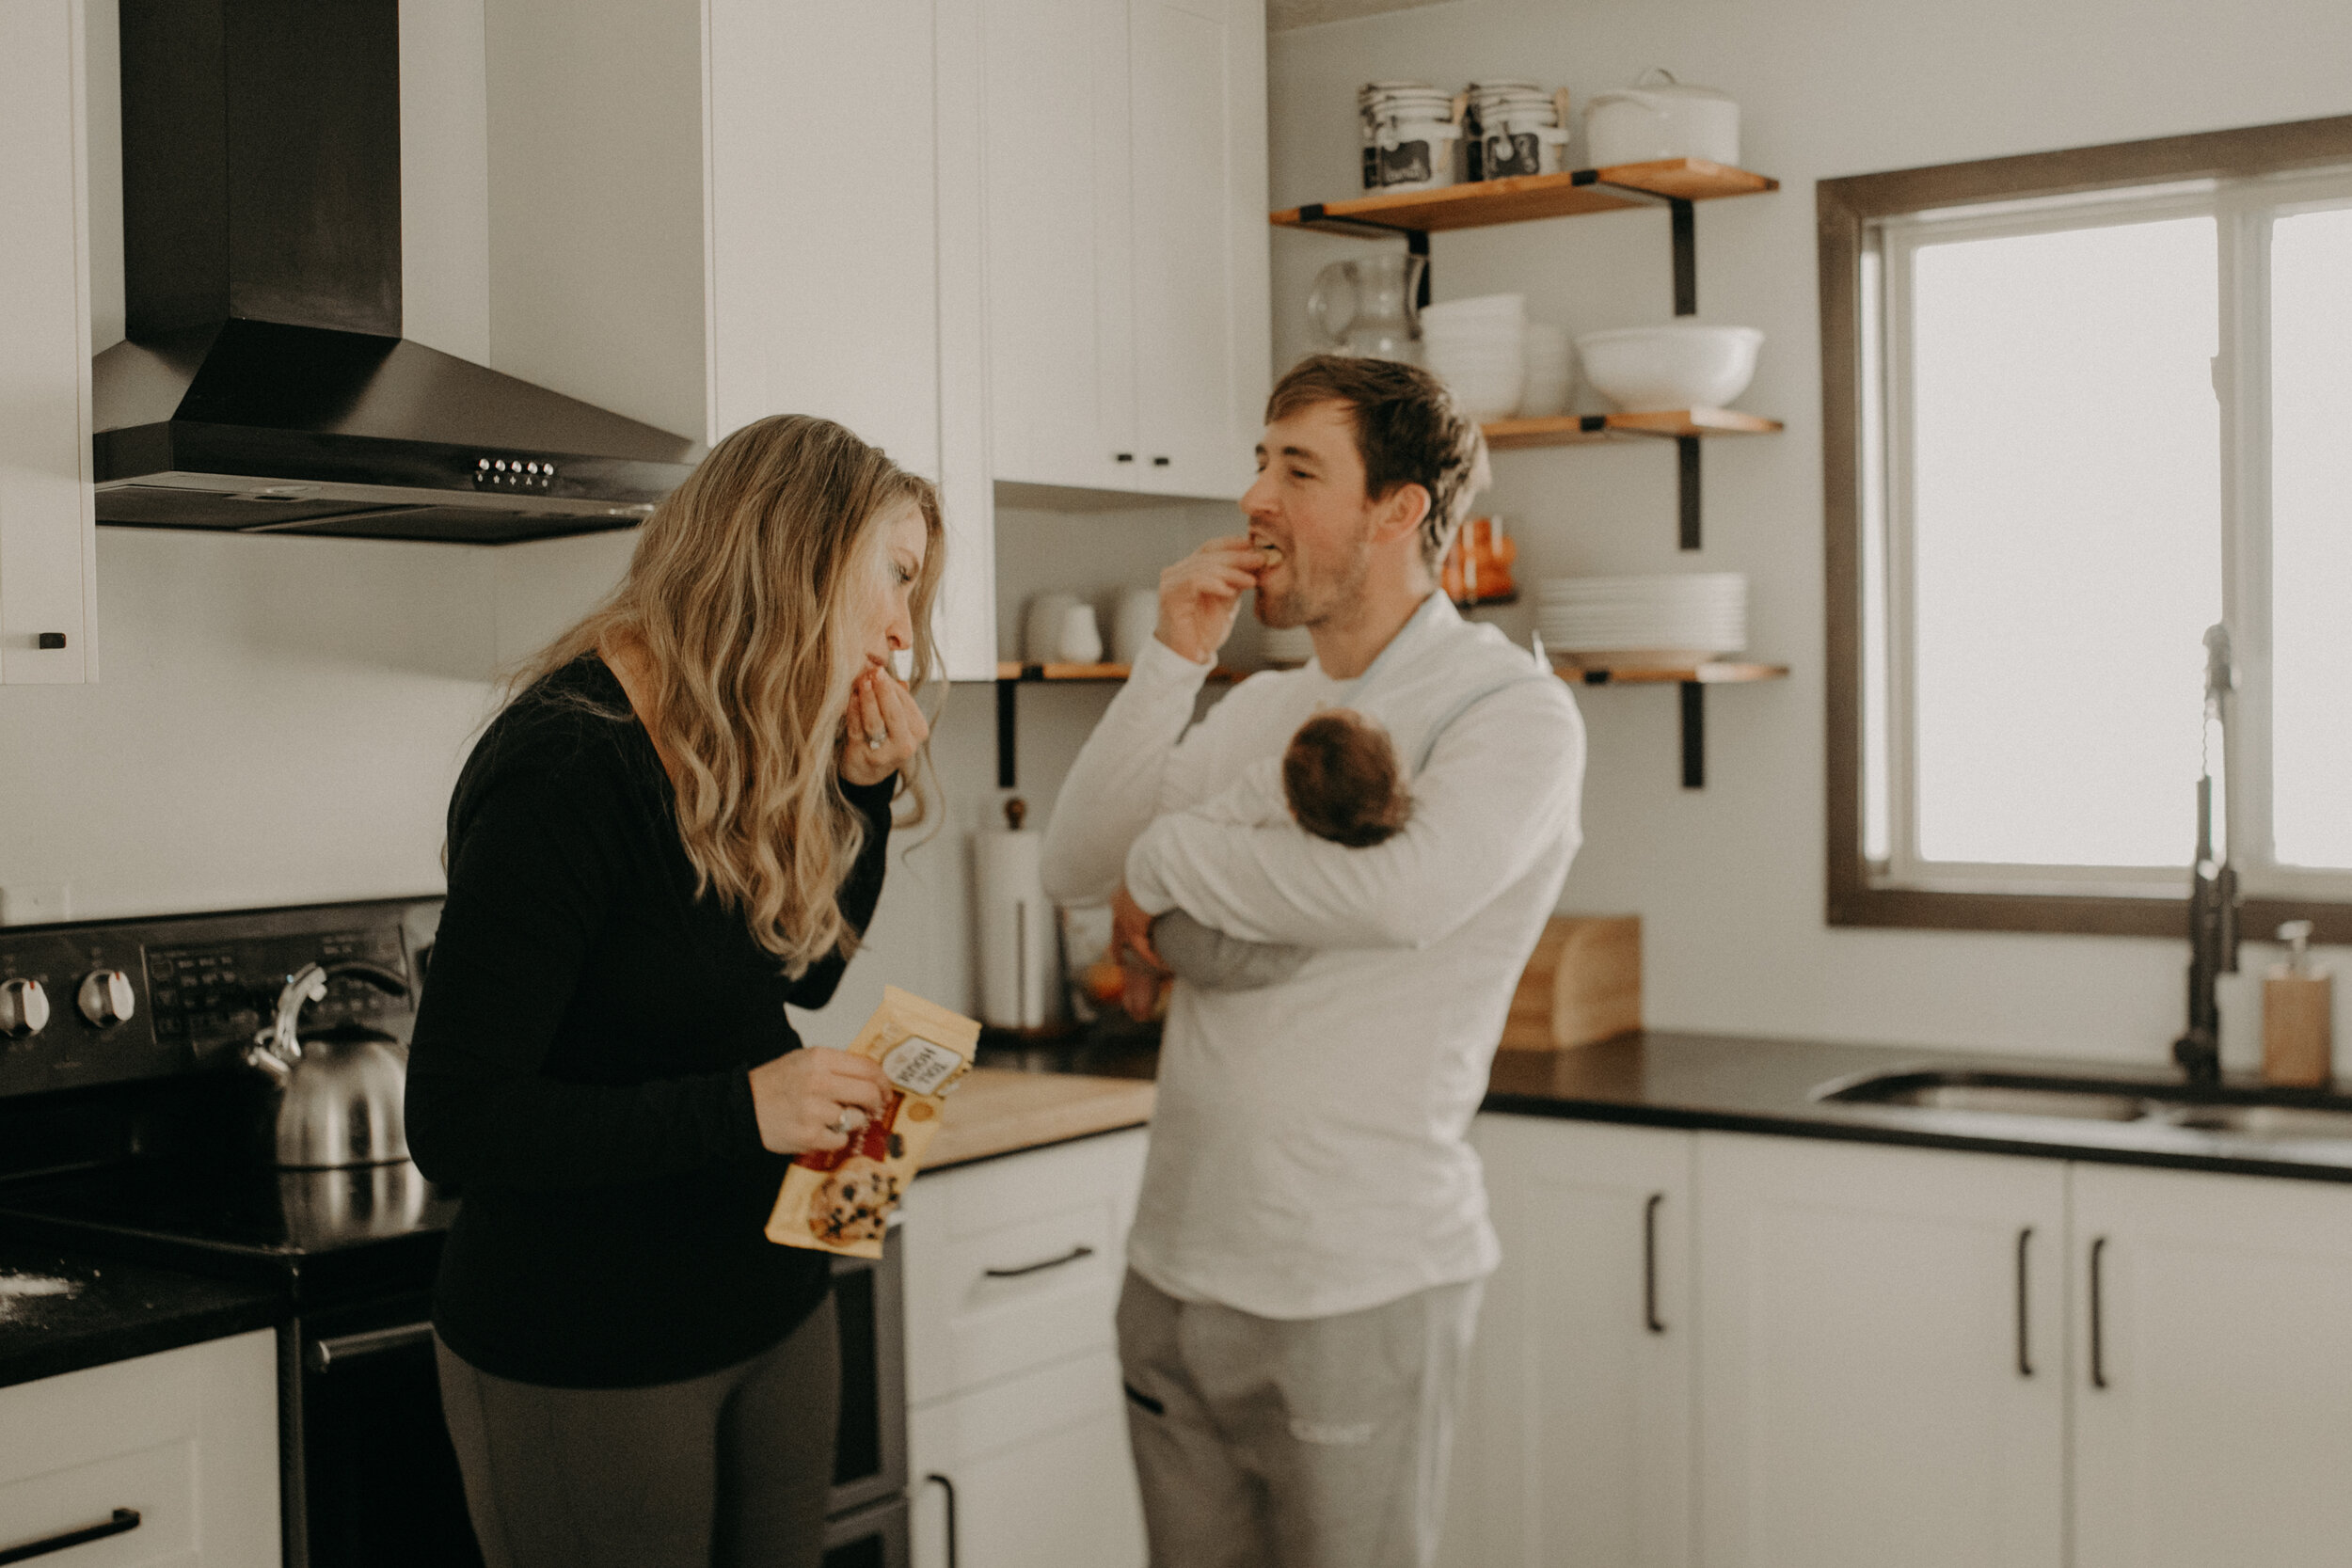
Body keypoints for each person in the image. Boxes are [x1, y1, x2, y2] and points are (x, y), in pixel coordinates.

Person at [1040, 355, 1586, 1568]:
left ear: (1399, 509)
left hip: (1354, 1280)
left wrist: (1170, 857)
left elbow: (1401, 894)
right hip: (1174, 1271)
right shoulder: (1255, 706)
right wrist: (1176, 657)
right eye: (1258, 461)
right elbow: (1075, 864)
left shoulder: (1510, 711)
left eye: (1298, 467)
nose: (1255, 497)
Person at [405, 414, 940, 1568]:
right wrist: (743, 1109)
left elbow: (806, 971)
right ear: (796, 554)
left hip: (771, 1302)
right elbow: (454, 1120)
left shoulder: (737, 732)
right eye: (895, 580)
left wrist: (862, 795)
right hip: (589, 1341)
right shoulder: (566, 765)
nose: (905, 631)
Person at [1147, 706, 1413, 994]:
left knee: (1175, 933)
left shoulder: (1272, 788)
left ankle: (1146, 964)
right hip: (1224, 935)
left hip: (1217, 937)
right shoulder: (1361, 812)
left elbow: (1199, 827)